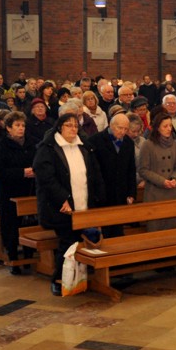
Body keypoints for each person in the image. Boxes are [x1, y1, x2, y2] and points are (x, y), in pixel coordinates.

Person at [33, 113, 105, 295]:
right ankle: (59, 280)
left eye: (75, 125)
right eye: (68, 125)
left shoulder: (84, 146)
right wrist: (62, 198)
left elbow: (94, 173)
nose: (73, 129)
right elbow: (46, 178)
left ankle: (79, 278)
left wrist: (97, 197)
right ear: (60, 127)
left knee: (81, 241)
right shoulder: (48, 148)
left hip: (84, 203)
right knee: (68, 243)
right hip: (61, 206)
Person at [0, 111, 37, 273]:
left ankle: (29, 256)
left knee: (29, 224)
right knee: (11, 226)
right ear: (8, 128)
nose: (21, 128)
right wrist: (21, 172)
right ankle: (13, 257)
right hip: (9, 192)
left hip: (29, 190)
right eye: (17, 125)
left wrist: (35, 171)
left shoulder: (32, 143)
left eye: (23, 125)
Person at [85, 113, 137, 237]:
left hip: (120, 193)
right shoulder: (95, 141)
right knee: (105, 230)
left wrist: (131, 193)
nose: (123, 132)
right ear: (111, 125)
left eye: (126, 129)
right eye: (120, 128)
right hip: (102, 194)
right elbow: (92, 171)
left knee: (118, 229)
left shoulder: (128, 142)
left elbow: (131, 169)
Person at [137, 112, 176, 231]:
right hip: (155, 193)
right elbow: (143, 169)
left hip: (172, 192)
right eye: (165, 126)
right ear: (157, 128)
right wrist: (162, 181)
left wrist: (174, 178)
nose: (169, 129)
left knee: (171, 229)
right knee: (155, 230)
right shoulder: (148, 145)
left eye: (170, 125)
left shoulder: (175, 144)